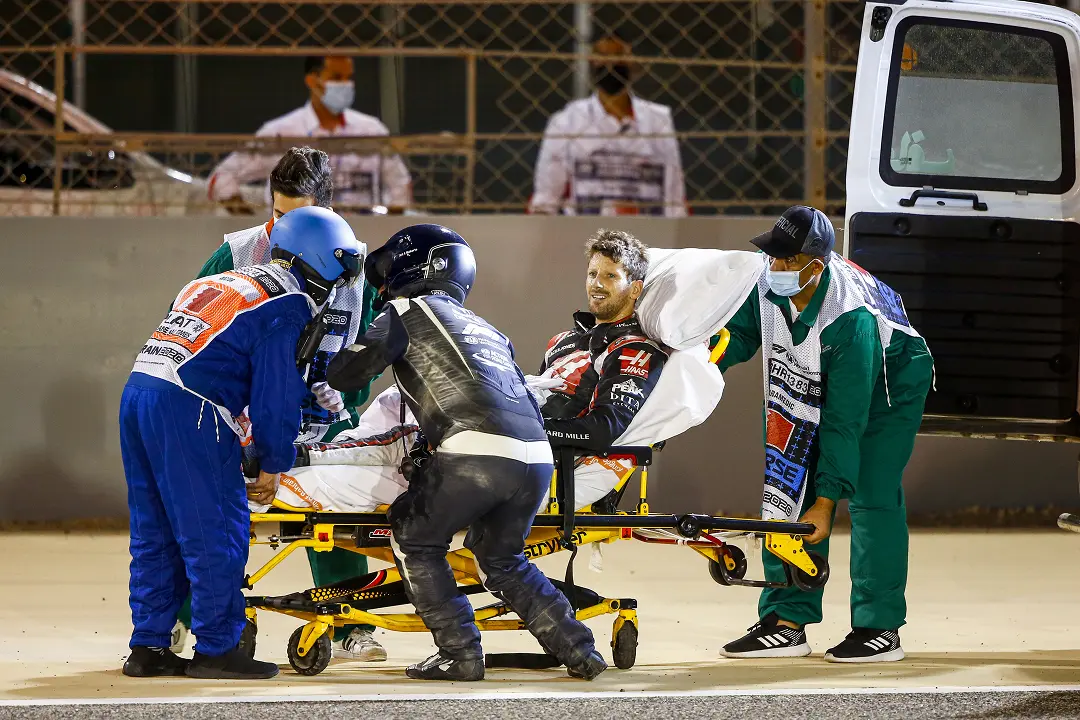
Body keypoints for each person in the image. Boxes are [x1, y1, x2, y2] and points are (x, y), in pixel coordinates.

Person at [324, 224, 607, 682]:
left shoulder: (405, 308)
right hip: (537, 459)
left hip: (475, 452)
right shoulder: (489, 330)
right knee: (501, 557)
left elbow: (349, 374)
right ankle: (579, 651)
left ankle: (460, 653)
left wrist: (322, 361)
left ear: (413, 265)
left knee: (413, 536)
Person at [120, 206, 364, 679]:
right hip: (191, 406)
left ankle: (148, 647)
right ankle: (217, 649)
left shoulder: (228, 281)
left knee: (156, 531)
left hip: (139, 391)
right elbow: (275, 398)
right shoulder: (287, 304)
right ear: (321, 259)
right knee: (217, 532)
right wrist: (272, 464)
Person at [173, 147, 387, 663]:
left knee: (343, 506)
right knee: (209, 513)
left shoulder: (356, 267)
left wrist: (345, 399)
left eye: (296, 215)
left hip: (324, 413)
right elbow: (192, 319)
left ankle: (349, 624)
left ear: (327, 211)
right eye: (277, 212)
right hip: (244, 413)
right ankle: (182, 617)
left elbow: (373, 346)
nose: (281, 227)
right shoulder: (239, 253)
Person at [714, 205, 933, 663]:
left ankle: (879, 627)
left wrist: (826, 501)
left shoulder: (850, 318)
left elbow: (844, 421)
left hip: (888, 385)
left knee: (872, 493)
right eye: (772, 255)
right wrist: (700, 364)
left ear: (815, 266)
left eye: (786, 261)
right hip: (813, 370)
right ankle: (786, 622)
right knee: (786, 479)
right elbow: (739, 336)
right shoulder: (768, 280)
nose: (774, 267)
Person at [539, 229, 669, 500]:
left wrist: (530, 429)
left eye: (611, 276)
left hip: (550, 465)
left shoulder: (634, 350)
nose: (597, 284)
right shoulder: (562, 341)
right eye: (592, 274)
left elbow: (603, 430)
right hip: (520, 448)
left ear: (635, 288)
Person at [207, 56, 412, 216]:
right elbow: (222, 179)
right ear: (312, 80)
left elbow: (400, 184)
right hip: (296, 245)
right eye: (337, 78)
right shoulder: (280, 132)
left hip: (362, 237)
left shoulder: (371, 130)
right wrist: (251, 223)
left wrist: (388, 231)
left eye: (349, 78)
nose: (347, 85)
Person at [529, 34, 686, 217]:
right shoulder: (566, 122)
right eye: (602, 57)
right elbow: (547, 197)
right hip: (584, 236)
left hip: (647, 234)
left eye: (618, 55)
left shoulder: (658, 120)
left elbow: (674, 196)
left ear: (632, 63)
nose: (610, 64)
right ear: (590, 64)